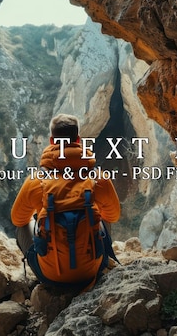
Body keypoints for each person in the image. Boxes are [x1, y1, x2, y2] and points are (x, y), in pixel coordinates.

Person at [11, 113, 120, 289]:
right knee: (103, 212)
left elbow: (18, 219)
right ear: (78, 139)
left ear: (52, 141)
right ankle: (101, 256)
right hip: (92, 271)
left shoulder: (37, 180)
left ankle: (46, 263)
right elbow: (112, 217)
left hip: (50, 276)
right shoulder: (97, 179)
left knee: (22, 224)